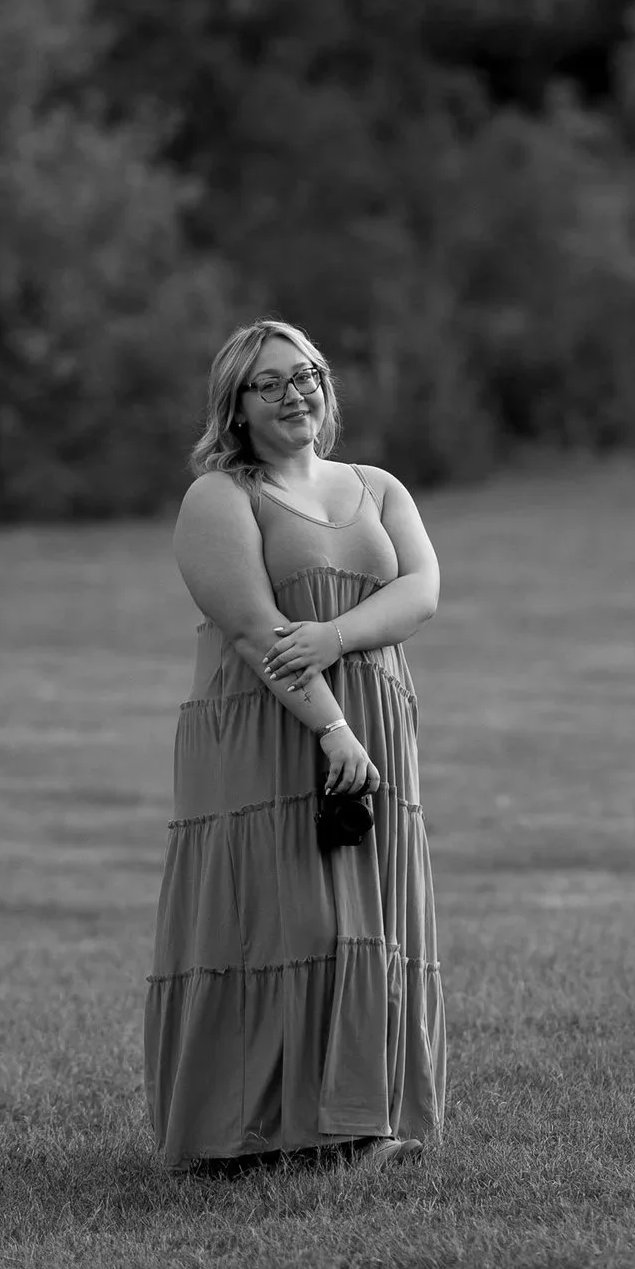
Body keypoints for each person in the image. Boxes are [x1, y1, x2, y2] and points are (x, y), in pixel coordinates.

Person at [145, 319, 446, 1168]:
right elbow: (253, 630)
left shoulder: (376, 485)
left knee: (367, 916)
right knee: (286, 914)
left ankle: (359, 1121)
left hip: (374, 718)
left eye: (306, 374)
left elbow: (421, 591)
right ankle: (248, 1131)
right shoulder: (220, 497)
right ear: (235, 406)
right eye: (270, 383)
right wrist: (332, 727)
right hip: (269, 729)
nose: (295, 393)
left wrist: (336, 637)